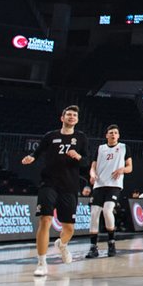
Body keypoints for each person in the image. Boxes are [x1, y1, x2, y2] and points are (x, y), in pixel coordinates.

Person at [21, 106, 88, 277]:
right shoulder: (50, 136)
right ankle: (42, 263)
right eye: (69, 114)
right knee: (45, 220)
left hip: (70, 186)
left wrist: (78, 157)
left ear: (77, 120)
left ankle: (62, 245)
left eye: (74, 115)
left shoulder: (80, 137)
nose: (71, 117)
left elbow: (87, 161)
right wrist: (31, 157)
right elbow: (37, 152)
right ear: (62, 118)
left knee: (69, 228)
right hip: (49, 183)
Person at [86, 125, 132, 259]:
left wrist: (121, 170)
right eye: (111, 133)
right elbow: (93, 167)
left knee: (107, 210)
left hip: (114, 185)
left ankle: (111, 243)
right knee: (94, 213)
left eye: (116, 133)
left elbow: (130, 167)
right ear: (106, 135)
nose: (113, 135)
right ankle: (93, 247)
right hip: (99, 185)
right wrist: (92, 174)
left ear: (118, 136)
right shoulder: (100, 148)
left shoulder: (124, 147)